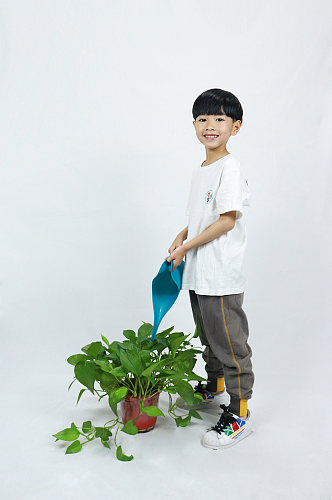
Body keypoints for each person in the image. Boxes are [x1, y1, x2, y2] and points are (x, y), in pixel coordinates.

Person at [165, 88, 254, 450]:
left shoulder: (229, 167)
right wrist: (181, 236)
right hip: (199, 271)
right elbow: (201, 217)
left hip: (219, 273)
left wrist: (187, 246)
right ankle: (215, 386)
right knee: (208, 336)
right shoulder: (202, 168)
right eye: (203, 119)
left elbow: (227, 220)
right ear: (194, 125)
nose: (210, 126)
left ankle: (239, 411)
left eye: (220, 118)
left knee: (230, 344)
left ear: (235, 127)